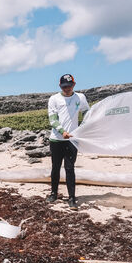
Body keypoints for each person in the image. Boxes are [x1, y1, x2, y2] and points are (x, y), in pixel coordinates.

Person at [46, 74, 89, 210]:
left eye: (69, 86)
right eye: (64, 87)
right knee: (56, 167)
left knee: (70, 168)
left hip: (72, 139)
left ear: (74, 85)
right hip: (57, 139)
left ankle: (71, 198)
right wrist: (62, 131)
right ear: (60, 86)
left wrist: (83, 127)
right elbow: (53, 119)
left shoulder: (80, 97)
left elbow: (87, 112)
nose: (67, 89)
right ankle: (53, 193)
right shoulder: (54, 99)